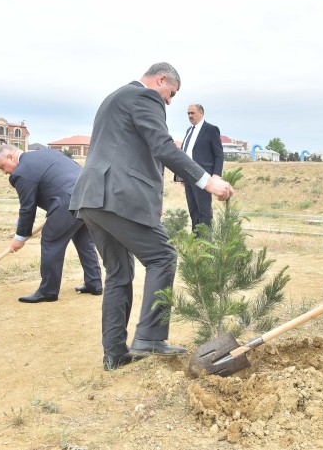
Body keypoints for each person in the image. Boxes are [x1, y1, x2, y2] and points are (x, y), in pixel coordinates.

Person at [69, 62, 235, 371]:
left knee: (119, 273)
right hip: (115, 197)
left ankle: (115, 353)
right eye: (170, 94)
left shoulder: (114, 98)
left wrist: (154, 199)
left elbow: (133, 151)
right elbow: (161, 146)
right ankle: (151, 338)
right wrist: (207, 180)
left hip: (91, 198)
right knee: (163, 256)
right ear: (161, 80)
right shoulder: (145, 97)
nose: (169, 102)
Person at [0, 144, 102, 303]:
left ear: (10, 156)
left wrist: (20, 237)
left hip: (67, 202)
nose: (4, 172)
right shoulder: (45, 153)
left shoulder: (21, 172)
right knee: (84, 240)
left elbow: (27, 208)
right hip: (88, 194)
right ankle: (94, 283)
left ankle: (48, 291)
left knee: (50, 241)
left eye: (2, 167)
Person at [174, 104, 224, 231]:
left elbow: (219, 154)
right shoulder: (189, 131)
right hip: (188, 177)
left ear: (201, 113)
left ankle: (206, 242)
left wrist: (216, 176)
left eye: (193, 113)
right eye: (188, 113)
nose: (190, 116)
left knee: (204, 211)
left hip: (203, 177)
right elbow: (186, 153)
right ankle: (196, 241)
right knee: (193, 210)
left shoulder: (211, 130)